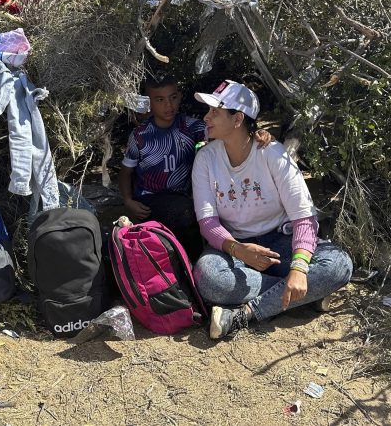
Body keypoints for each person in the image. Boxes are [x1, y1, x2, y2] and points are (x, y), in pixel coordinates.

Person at [190, 80, 353, 340]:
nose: (206, 117)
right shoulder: (206, 158)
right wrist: (238, 249)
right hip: (236, 248)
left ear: (237, 119)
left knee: (339, 264)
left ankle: (247, 313)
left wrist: (299, 268)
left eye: (215, 112)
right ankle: (302, 295)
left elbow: (304, 218)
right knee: (208, 278)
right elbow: (208, 224)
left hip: (280, 243)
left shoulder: (272, 154)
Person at [119, 74, 207, 258]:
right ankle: (190, 267)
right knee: (184, 214)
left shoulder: (191, 127)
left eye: (173, 98)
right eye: (160, 100)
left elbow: (225, 132)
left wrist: (255, 133)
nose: (168, 105)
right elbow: (126, 172)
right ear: (149, 102)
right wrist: (128, 201)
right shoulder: (140, 136)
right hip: (150, 201)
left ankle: (194, 266)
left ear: (180, 96)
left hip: (184, 195)